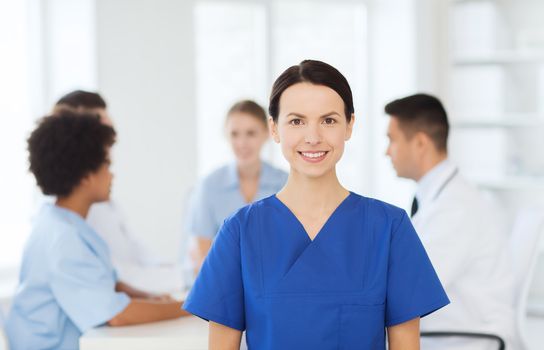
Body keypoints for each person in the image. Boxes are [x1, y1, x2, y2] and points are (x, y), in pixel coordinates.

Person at [183, 60, 450, 349]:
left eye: (329, 120)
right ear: (274, 129)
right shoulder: (239, 232)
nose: (313, 138)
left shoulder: (390, 229)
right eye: (297, 121)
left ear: (349, 125)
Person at [5, 112, 188, 350]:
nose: (112, 174)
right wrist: (187, 308)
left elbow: (107, 283)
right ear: (85, 176)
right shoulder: (64, 239)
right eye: (107, 165)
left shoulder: (60, 221)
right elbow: (116, 315)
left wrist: (150, 297)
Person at [384, 93, 516, 349]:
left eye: (392, 140)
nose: (387, 151)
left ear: (420, 143)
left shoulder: (456, 209)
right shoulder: (441, 198)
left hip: (465, 340)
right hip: (445, 334)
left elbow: (410, 287)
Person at [53, 90, 182, 292]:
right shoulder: (75, 211)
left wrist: (178, 274)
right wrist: (180, 283)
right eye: (100, 124)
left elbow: (135, 252)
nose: (109, 135)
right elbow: (115, 276)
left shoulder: (102, 194)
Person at [185, 100, 287, 274]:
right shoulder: (209, 186)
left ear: (267, 132)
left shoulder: (284, 182)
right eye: (234, 134)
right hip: (222, 284)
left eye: (251, 133)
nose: (242, 143)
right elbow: (201, 254)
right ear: (226, 136)